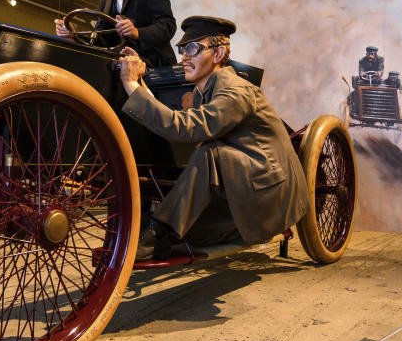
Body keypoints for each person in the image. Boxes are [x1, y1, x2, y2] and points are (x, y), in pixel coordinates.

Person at [117, 16, 309, 260]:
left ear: (218, 54)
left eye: (193, 48)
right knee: (186, 235)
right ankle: (163, 231)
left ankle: (158, 233)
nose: (184, 57)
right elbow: (177, 122)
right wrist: (139, 81)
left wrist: (131, 83)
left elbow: (181, 127)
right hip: (239, 190)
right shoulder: (204, 93)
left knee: (211, 153)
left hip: (269, 198)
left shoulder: (236, 91)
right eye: (182, 50)